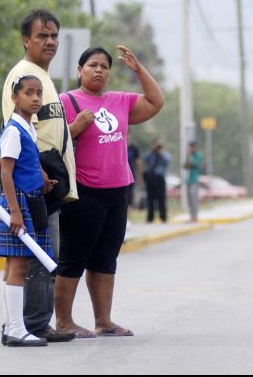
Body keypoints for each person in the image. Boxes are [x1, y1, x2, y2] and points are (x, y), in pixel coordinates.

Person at [55, 45, 164, 338]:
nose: (99, 70)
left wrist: (138, 69)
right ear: (80, 70)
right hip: (83, 192)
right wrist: (76, 126)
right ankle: (64, 321)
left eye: (104, 66)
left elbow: (155, 101)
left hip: (117, 191)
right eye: (92, 65)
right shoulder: (66, 100)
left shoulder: (121, 101)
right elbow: (50, 140)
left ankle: (104, 321)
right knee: (73, 257)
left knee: (105, 258)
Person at [0, 10, 77, 343]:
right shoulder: (22, 75)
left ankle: (35, 322)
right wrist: (23, 196)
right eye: (42, 36)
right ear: (26, 40)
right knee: (34, 259)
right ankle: (28, 324)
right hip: (27, 189)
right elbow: (13, 146)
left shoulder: (43, 78)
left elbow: (40, 131)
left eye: (54, 35)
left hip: (43, 182)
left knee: (44, 256)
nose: (50, 42)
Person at [0, 75, 57, 347]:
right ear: (14, 98)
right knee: (19, 265)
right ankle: (17, 329)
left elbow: (22, 164)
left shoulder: (28, 128)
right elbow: (5, 173)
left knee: (14, 265)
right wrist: (14, 211)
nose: (35, 98)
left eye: (38, 93)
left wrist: (41, 178)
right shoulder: (13, 130)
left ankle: (12, 327)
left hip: (30, 198)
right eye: (28, 93)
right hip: (19, 202)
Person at [143, 140, 171, 224]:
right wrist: (153, 150)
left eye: (159, 146)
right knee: (150, 199)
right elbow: (145, 158)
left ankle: (163, 217)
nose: (157, 148)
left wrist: (160, 152)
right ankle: (150, 217)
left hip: (159, 178)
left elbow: (167, 161)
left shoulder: (164, 154)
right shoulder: (150, 154)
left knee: (161, 198)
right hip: (150, 177)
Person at [184, 141, 203, 223]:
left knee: (194, 199)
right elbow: (185, 166)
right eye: (190, 147)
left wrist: (189, 156)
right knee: (189, 200)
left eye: (193, 147)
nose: (191, 149)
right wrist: (188, 155)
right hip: (188, 180)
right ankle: (191, 217)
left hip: (194, 180)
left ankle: (195, 217)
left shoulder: (198, 155)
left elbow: (192, 164)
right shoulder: (189, 156)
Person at [126, 143, 143, 209]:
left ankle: (129, 213)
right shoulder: (116, 144)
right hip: (118, 177)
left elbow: (138, 162)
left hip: (130, 176)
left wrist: (140, 176)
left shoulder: (133, 148)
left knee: (129, 195)